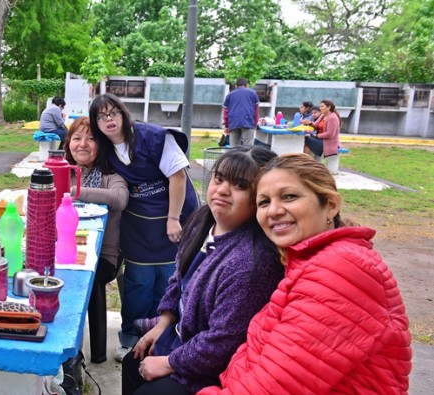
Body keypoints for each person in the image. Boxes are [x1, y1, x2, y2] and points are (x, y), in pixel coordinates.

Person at [198, 154, 412, 394]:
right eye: (264, 202)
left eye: (289, 196)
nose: (274, 211)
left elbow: (275, 386)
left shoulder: (341, 270)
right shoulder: (311, 261)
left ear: (330, 204)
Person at [122, 146, 283, 395]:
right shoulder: (202, 221)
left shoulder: (250, 264)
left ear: (260, 199)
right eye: (219, 179)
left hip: (210, 367)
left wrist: (169, 363)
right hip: (183, 337)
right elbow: (178, 277)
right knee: (132, 363)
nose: (222, 190)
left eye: (239, 185)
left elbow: (222, 342)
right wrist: (163, 323)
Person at [88, 93, 199, 362]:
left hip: (174, 219)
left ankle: (162, 338)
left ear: (124, 113)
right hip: (138, 226)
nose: (108, 120)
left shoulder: (153, 137)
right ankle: (130, 338)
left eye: (113, 112)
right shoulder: (106, 149)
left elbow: (178, 175)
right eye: (101, 116)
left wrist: (173, 218)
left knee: (169, 279)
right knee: (138, 284)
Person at [63, 116, 128, 363]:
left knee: (80, 276)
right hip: (66, 250)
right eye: (77, 138)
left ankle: (90, 353)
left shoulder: (110, 174)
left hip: (103, 257)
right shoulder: (63, 172)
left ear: (101, 144)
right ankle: (69, 349)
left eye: (91, 139)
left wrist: (78, 192)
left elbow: (120, 198)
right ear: (68, 142)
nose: (83, 144)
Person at [222, 78, 259, 147]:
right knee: (248, 148)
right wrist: (255, 123)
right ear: (247, 85)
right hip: (248, 122)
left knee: (234, 148)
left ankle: (234, 158)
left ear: (236, 86)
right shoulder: (253, 93)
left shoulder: (230, 95)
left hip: (233, 123)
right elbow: (256, 110)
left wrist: (227, 125)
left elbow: (225, 111)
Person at [316, 99, 342, 174]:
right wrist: (309, 123)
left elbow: (330, 134)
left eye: (322, 106)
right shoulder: (323, 115)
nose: (320, 108)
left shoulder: (332, 118)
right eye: (320, 106)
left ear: (328, 107)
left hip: (327, 142)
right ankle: (315, 164)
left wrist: (317, 135)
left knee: (308, 142)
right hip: (320, 139)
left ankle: (308, 163)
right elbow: (315, 125)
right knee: (307, 140)